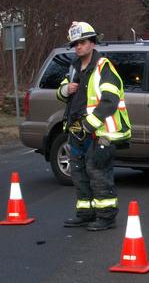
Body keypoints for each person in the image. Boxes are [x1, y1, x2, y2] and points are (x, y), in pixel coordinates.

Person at [57, 21, 132, 231]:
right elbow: (60, 91)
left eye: (82, 42)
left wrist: (88, 126)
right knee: (79, 174)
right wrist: (65, 90)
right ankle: (85, 213)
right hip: (76, 132)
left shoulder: (104, 67)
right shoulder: (73, 68)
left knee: (98, 174)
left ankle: (106, 217)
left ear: (92, 43)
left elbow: (109, 101)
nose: (78, 47)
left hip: (99, 133)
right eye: (75, 43)